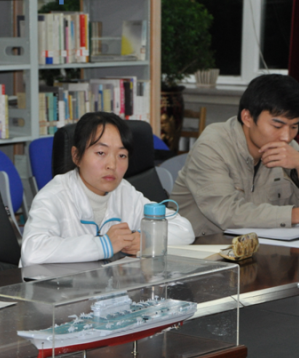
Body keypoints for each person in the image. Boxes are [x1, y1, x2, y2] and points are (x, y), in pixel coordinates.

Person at [171, 74, 299, 237]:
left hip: (258, 247)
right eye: (277, 126)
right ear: (247, 117)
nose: (286, 137)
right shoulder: (212, 146)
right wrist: (296, 215)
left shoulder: (289, 150)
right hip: (201, 248)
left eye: (294, 126)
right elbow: (227, 213)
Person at [21, 112, 195, 267]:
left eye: (122, 155)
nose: (112, 165)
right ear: (76, 156)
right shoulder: (54, 196)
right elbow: (32, 251)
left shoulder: (124, 192)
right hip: (55, 289)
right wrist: (104, 244)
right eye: (100, 153)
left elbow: (185, 230)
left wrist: (147, 239)